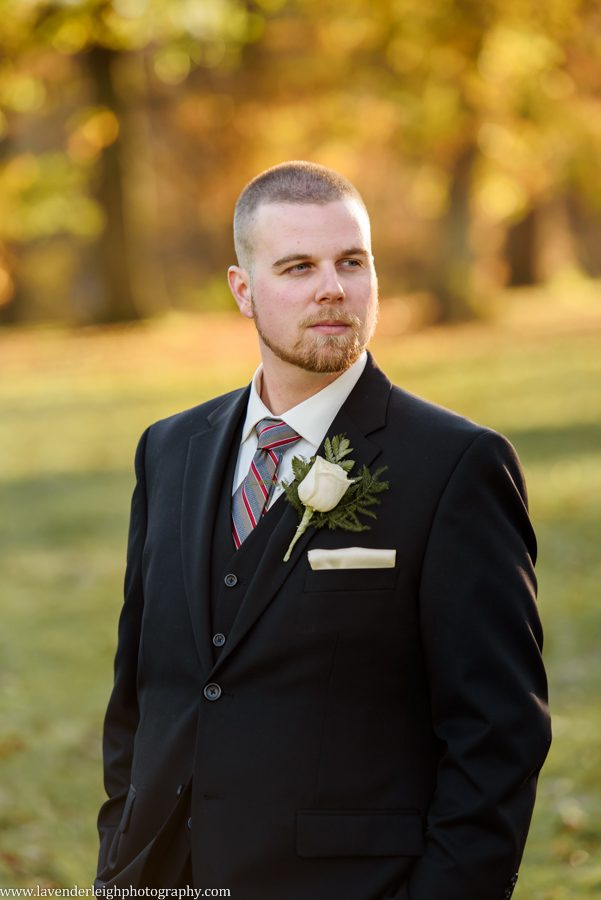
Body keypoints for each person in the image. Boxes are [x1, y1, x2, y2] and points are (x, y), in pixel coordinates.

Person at [95, 161, 551, 900]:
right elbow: (142, 695)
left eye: (352, 262)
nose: (332, 288)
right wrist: (121, 855)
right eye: (298, 267)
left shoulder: (454, 464)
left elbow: (496, 736)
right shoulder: (169, 449)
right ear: (243, 291)